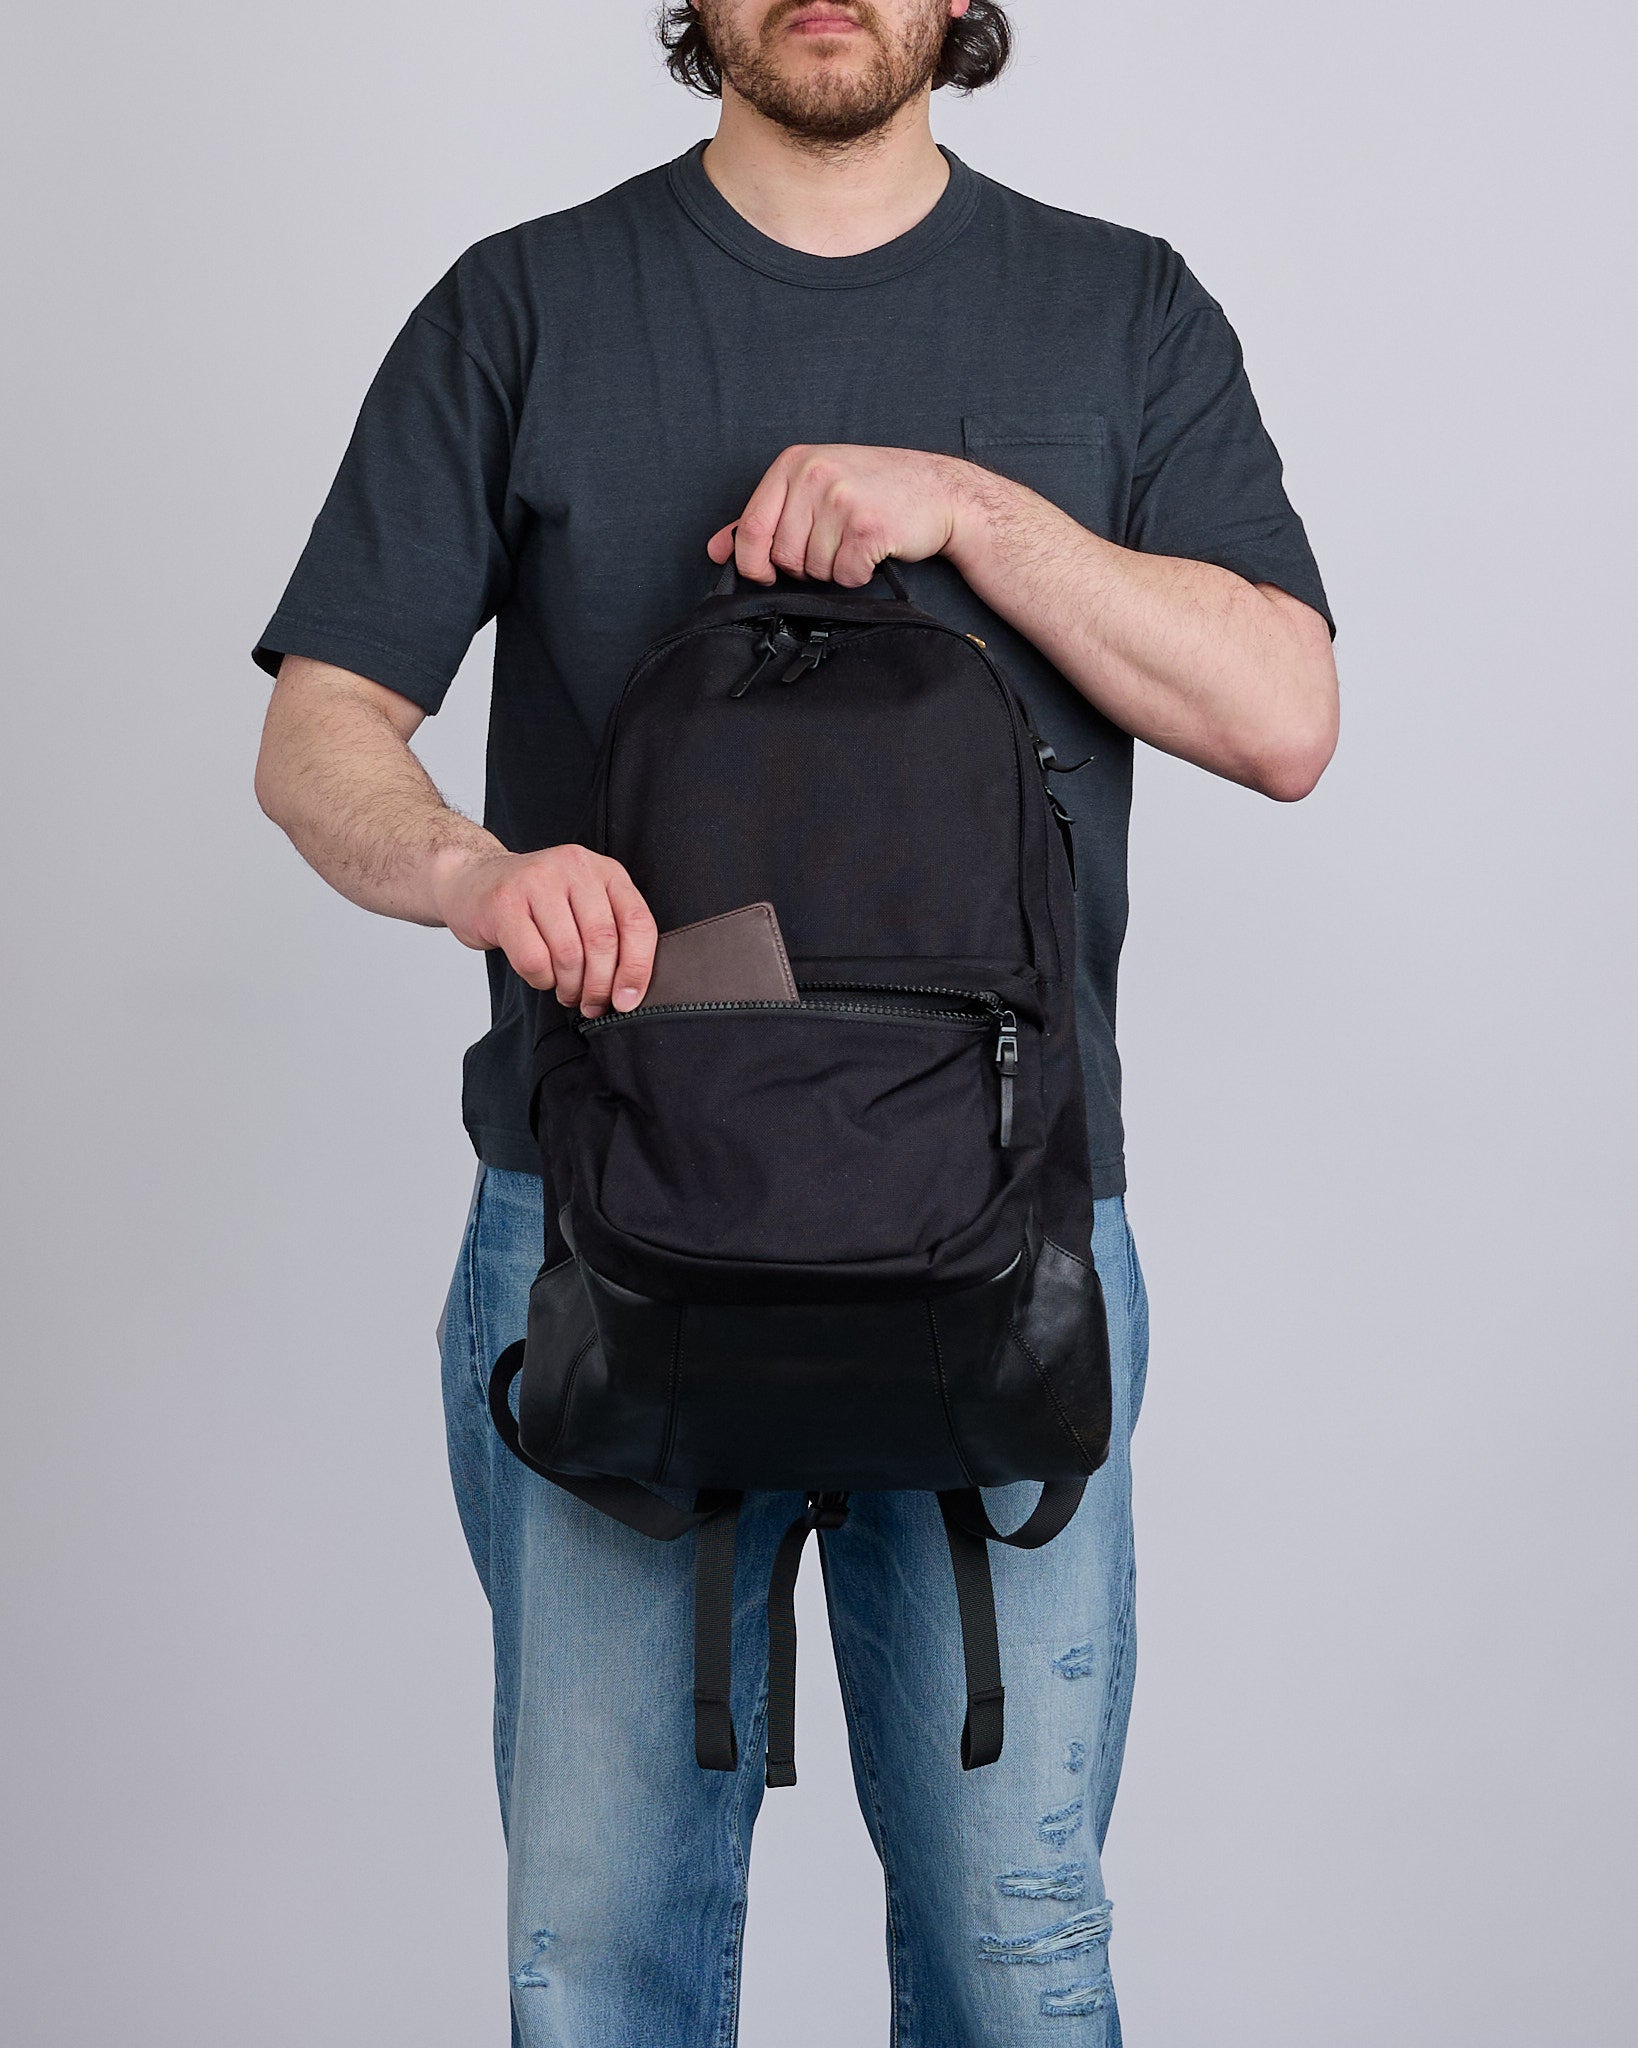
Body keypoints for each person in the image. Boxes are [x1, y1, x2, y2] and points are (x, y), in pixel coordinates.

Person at [251, 3, 1337, 2039]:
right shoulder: (525, 306)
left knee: (1019, 1939)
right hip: (603, 1229)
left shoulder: (1120, 311)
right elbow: (320, 730)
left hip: (1004, 1229)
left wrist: (972, 508)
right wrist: (478, 873)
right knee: (599, 1952)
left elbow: (1283, 716)